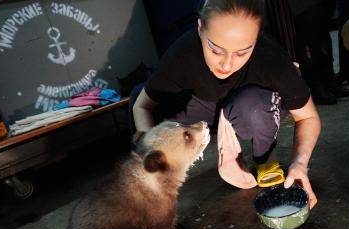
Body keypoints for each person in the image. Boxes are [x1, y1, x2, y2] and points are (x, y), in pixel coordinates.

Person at [130, 0, 320, 209]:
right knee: (141, 96)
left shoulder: (271, 57)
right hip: (204, 108)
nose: (227, 64)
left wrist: (300, 164)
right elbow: (142, 106)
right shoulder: (182, 54)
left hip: (250, 106)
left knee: (253, 108)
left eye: (242, 52)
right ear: (200, 28)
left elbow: (308, 116)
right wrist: (153, 160)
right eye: (216, 50)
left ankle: (265, 157)